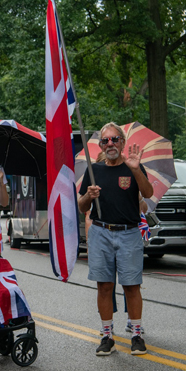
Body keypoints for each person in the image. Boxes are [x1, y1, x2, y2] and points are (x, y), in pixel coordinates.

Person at [78, 122, 153, 356]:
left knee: (132, 285)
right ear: (101, 144)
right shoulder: (94, 171)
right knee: (104, 286)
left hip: (129, 232)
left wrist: (136, 169)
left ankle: (137, 334)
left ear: (123, 142)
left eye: (114, 139)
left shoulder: (134, 167)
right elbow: (81, 207)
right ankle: (107, 335)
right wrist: (89, 197)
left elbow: (148, 193)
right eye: (105, 140)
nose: (110, 144)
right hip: (101, 231)